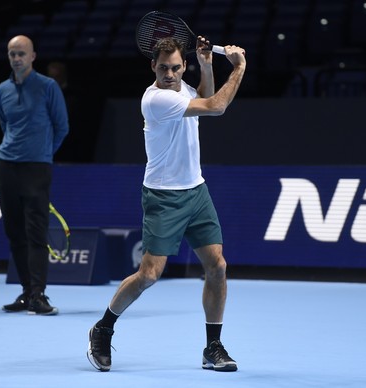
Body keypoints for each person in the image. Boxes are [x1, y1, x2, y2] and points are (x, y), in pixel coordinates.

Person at [87, 37, 246, 372]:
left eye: (176, 67)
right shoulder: (156, 99)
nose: (171, 73)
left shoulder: (182, 87)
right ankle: (103, 328)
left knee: (217, 266)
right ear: (152, 67)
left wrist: (205, 65)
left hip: (197, 191)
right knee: (149, 275)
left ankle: (212, 347)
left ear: (182, 65)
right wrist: (239, 67)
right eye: (163, 68)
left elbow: (201, 96)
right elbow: (216, 106)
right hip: (163, 196)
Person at [0, 35, 69, 315]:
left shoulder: (48, 87)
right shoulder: (1, 89)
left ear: (33, 56)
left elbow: (62, 126)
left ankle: (39, 294)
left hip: (37, 168)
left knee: (35, 233)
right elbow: (5, 124)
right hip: (6, 166)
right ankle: (27, 292)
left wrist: (42, 154)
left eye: (21, 54)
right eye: (12, 53)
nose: (16, 58)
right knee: (14, 232)